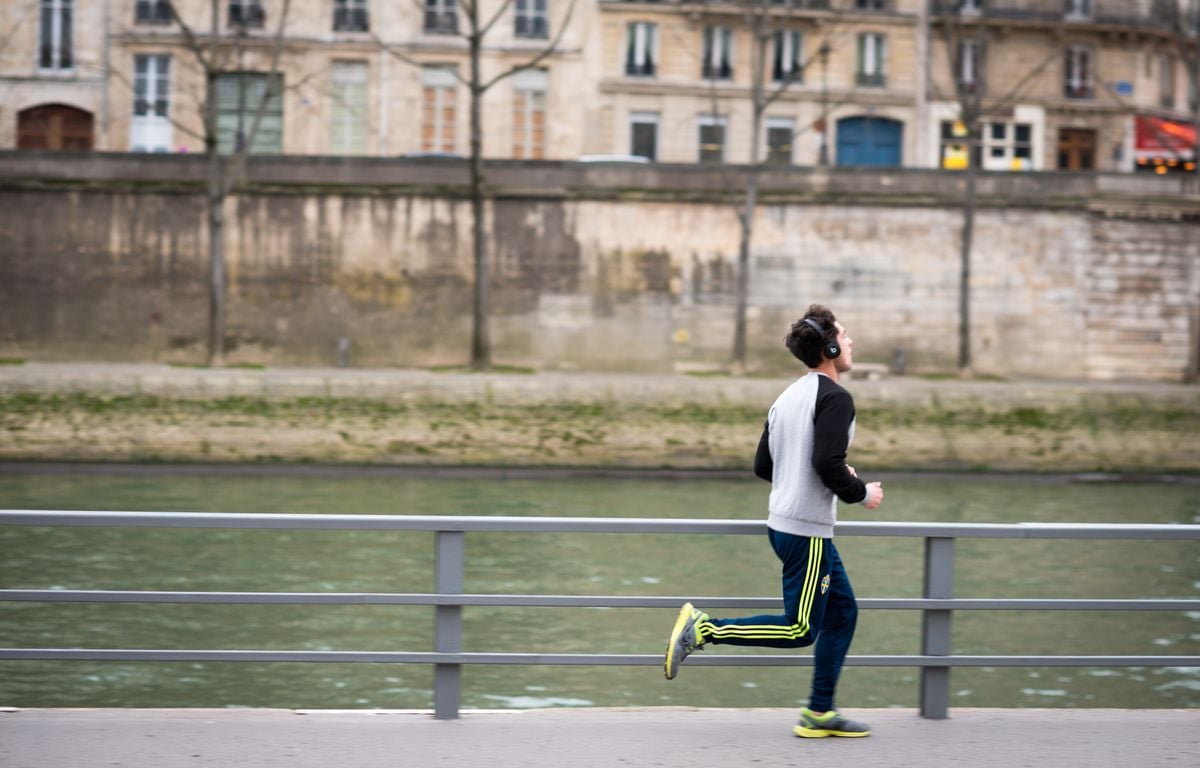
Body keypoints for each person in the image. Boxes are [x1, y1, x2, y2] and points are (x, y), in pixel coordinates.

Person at [663, 304, 884, 738]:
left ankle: (819, 711)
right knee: (801, 628)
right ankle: (704, 629)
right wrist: (861, 492)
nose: (852, 341)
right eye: (845, 335)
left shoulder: (786, 397)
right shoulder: (835, 397)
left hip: (782, 525)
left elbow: (765, 466)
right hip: (806, 530)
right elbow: (827, 461)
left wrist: (820, 473)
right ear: (831, 346)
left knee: (842, 612)